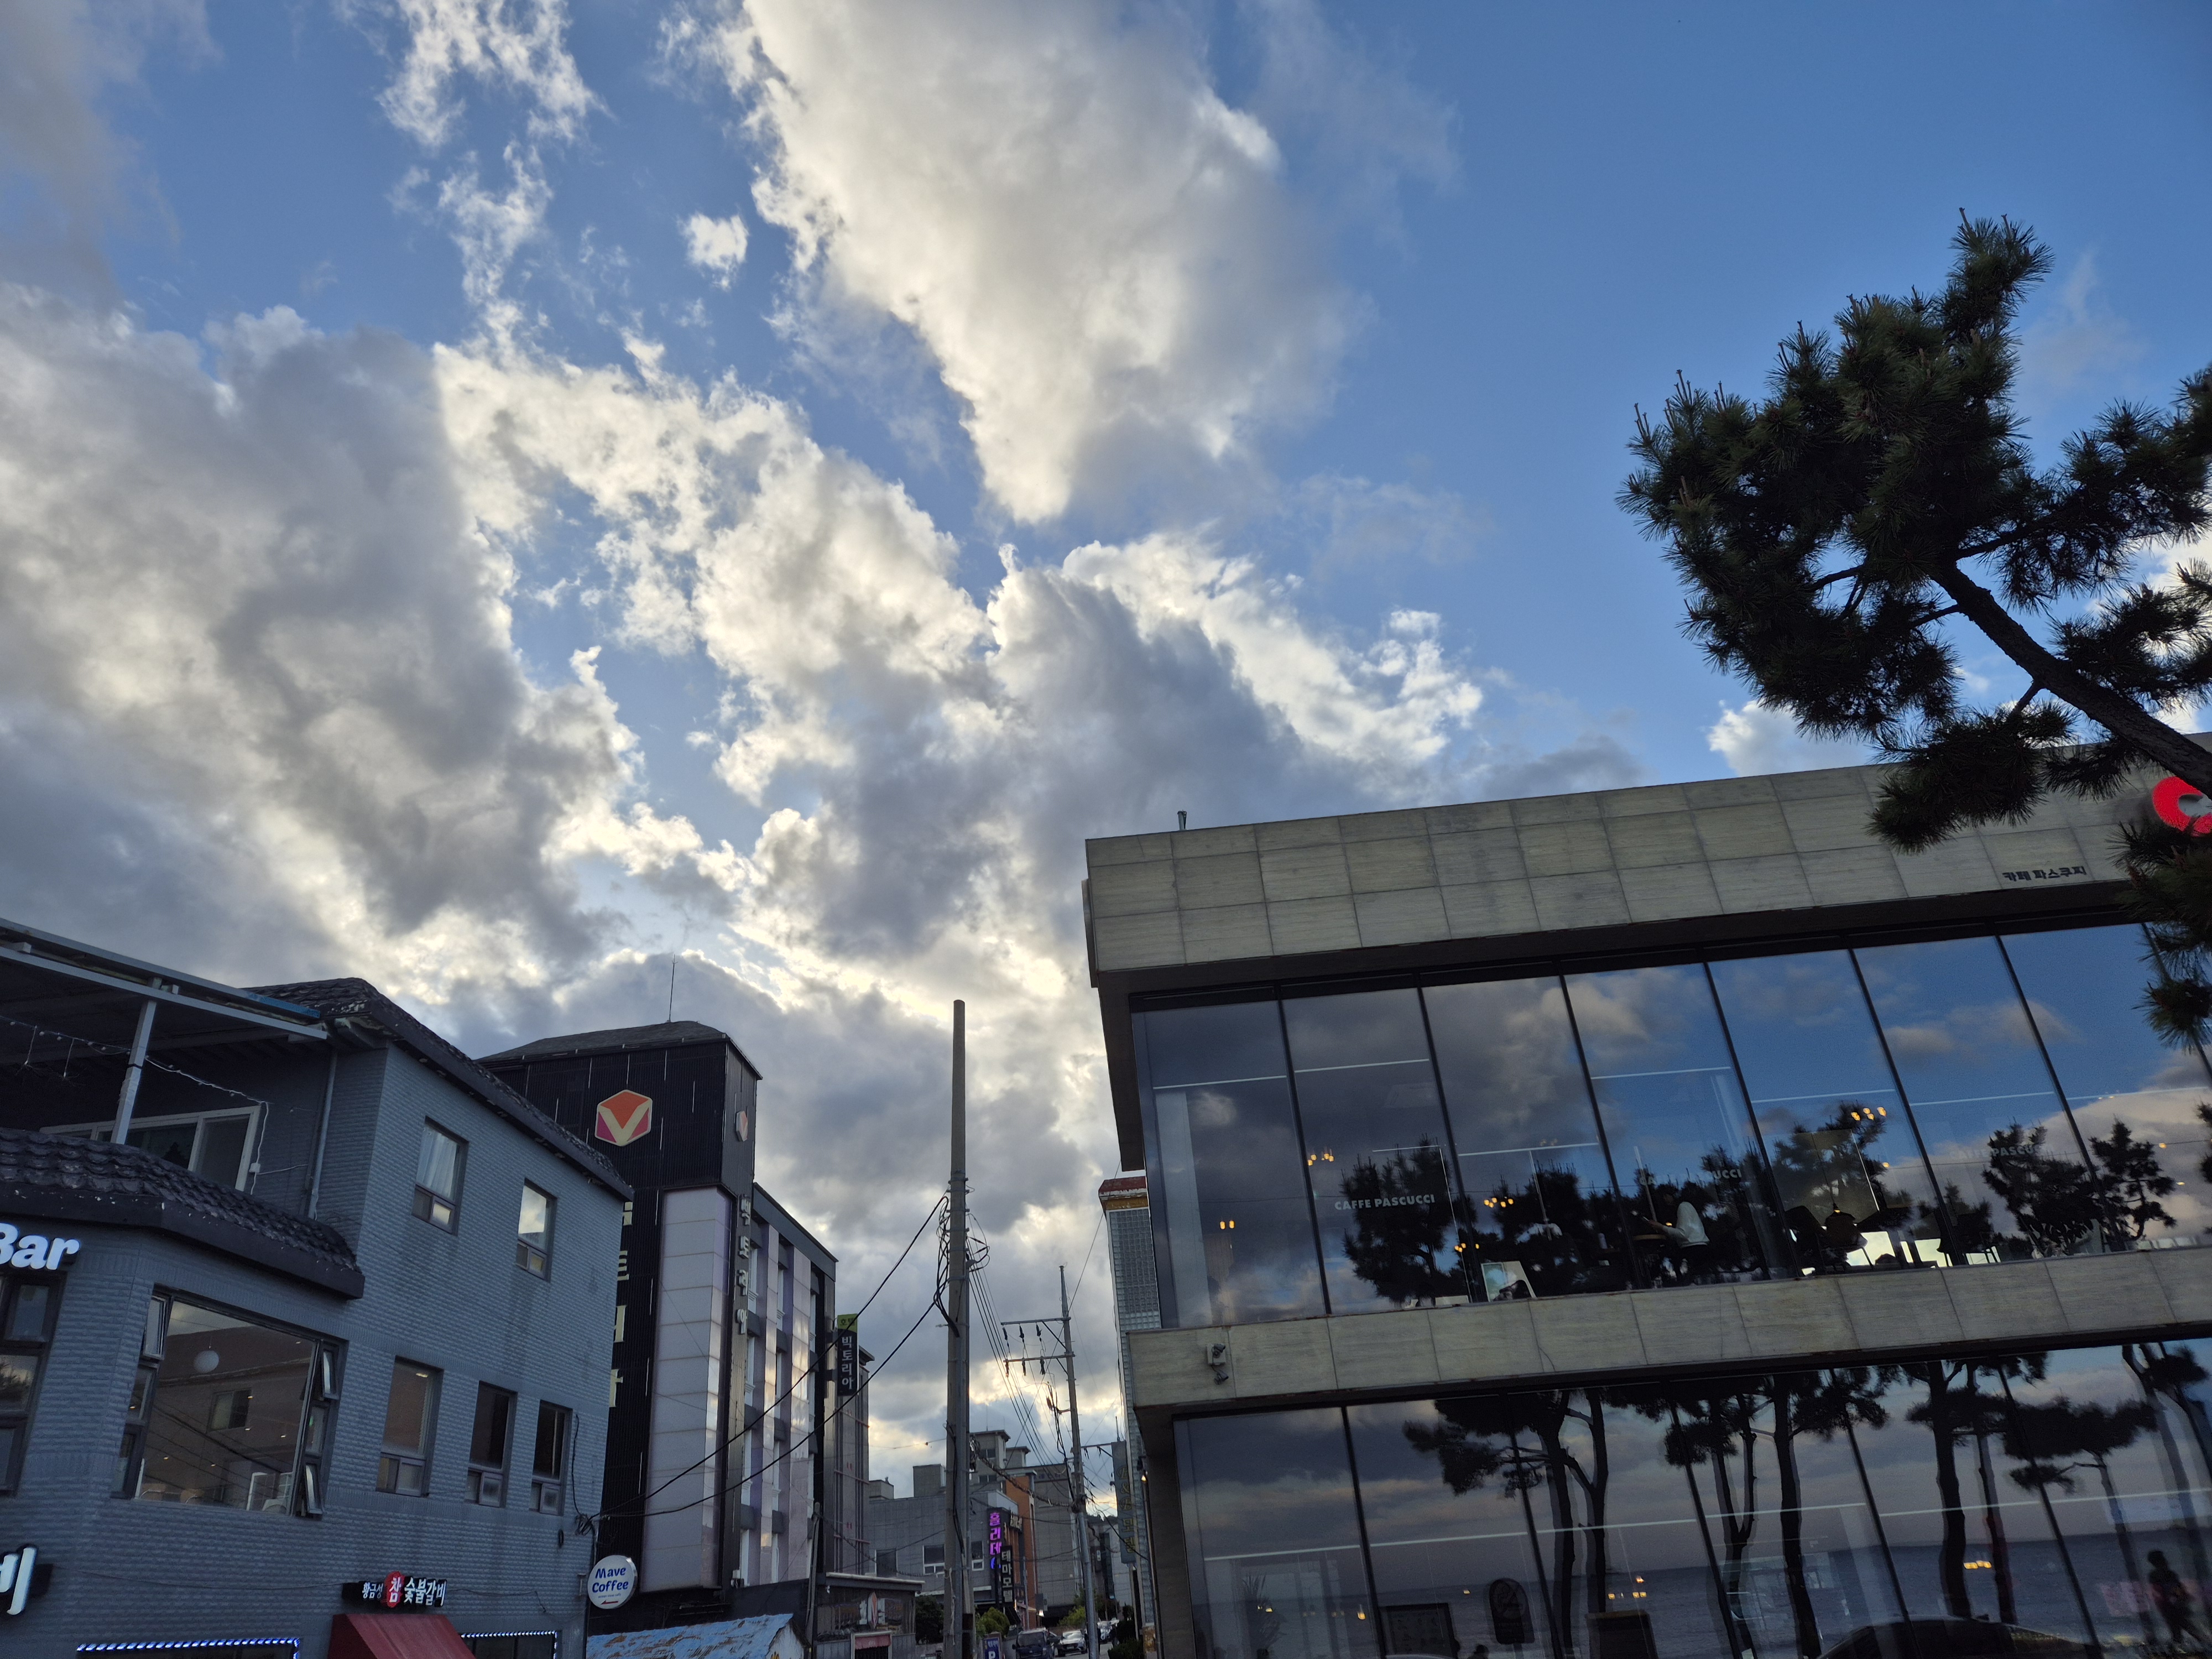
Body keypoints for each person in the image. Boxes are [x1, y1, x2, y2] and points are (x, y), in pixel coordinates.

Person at [2147, 1550, 2201, 1647]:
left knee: (2181, 1632)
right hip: (2170, 1609)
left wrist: (2183, 1598)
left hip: (2173, 1608)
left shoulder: (2169, 1575)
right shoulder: (2157, 1576)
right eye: (2163, 1560)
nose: (2166, 1562)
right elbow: (2165, 1592)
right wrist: (2179, 1598)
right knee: (2185, 1630)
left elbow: (2178, 1589)